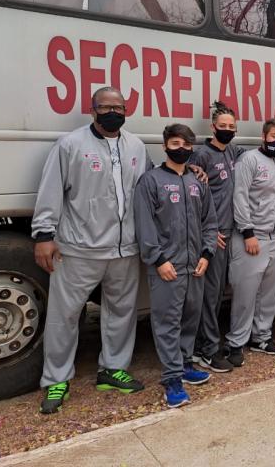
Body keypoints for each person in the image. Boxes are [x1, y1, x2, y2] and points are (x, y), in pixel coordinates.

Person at [32, 87, 147, 414]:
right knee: (64, 315)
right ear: (93, 110)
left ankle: (112, 369)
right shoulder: (70, 145)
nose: (113, 112)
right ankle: (56, 379)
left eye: (119, 107)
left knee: (122, 312)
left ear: (126, 109)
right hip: (79, 247)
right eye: (106, 107)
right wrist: (43, 234)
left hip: (124, 249)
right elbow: (51, 190)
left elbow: (149, 187)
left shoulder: (136, 146)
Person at [134, 124, 218, 408]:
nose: (181, 148)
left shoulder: (197, 182)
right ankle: (171, 380)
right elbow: (144, 225)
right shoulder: (151, 181)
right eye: (175, 143)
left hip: (196, 265)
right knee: (167, 322)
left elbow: (210, 222)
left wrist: (207, 254)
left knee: (190, 318)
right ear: (165, 146)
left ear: (192, 148)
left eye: (186, 144)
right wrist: (158, 259)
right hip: (167, 267)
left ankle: (184, 365)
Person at [224, 118, 275, 366]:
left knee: (269, 292)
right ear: (264, 136)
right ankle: (236, 341)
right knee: (245, 293)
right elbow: (239, 196)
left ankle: (260, 337)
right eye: (273, 136)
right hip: (251, 237)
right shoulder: (249, 160)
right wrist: (248, 232)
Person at [190, 101, 244, 374]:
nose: (226, 130)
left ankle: (207, 344)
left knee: (219, 293)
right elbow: (193, 199)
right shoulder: (200, 156)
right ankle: (207, 350)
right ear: (212, 127)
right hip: (215, 236)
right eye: (222, 126)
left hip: (231, 232)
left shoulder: (234, 151)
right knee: (209, 296)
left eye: (231, 127)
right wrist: (207, 234)